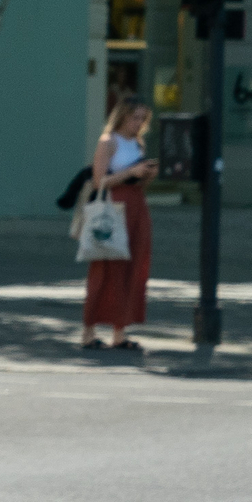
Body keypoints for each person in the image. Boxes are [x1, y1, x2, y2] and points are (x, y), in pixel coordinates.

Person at [82, 96, 154, 352]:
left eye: (142, 118)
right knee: (106, 266)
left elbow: (139, 182)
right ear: (122, 116)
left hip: (136, 205)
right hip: (112, 206)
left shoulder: (137, 143)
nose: (138, 123)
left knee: (133, 267)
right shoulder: (108, 141)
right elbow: (99, 180)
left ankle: (119, 332)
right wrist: (129, 174)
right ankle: (89, 332)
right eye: (135, 117)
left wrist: (146, 175)